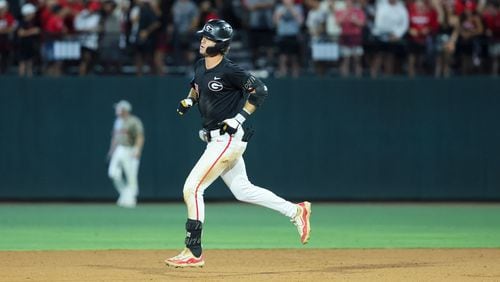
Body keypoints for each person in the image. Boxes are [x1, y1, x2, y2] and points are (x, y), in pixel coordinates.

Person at [164, 19, 311, 268]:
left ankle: (193, 250)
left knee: (192, 189)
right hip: (215, 140)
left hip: (227, 138)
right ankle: (296, 211)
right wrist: (189, 101)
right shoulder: (201, 65)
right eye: (203, 36)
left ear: (220, 45)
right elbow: (196, 88)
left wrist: (239, 118)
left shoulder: (230, 70)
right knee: (243, 190)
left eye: (208, 38)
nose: (202, 40)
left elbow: (260, 90)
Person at [107, 100, 145, 208]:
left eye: (119, 108)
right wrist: (111, 150)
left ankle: (131, 198)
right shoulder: (117, 121)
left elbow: (140, 136)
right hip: (119, 150)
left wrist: (137, 150)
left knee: (131, 175)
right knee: (113, 173)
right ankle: (125, 194)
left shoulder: (133, 121)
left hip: (129, 149)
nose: (117, 110)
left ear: (124, 110)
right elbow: (115, 137)